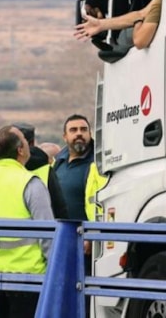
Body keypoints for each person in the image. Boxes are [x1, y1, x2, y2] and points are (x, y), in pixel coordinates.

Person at [0, 125, 54, 318]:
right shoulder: (30, 182)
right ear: (20, 150)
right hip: (28, 276)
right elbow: (48, 235)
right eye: (25, 141)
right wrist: (55, 272)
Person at [53, 114, 107, 317]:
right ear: (65, 136)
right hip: (61, 242)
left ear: (90, 133)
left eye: (83, 130)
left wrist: (93, 235)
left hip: (86, 244)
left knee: (84, 301)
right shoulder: (58, 163)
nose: (79, 134)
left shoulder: (97, 163)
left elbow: (102, 203)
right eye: (73, 130)